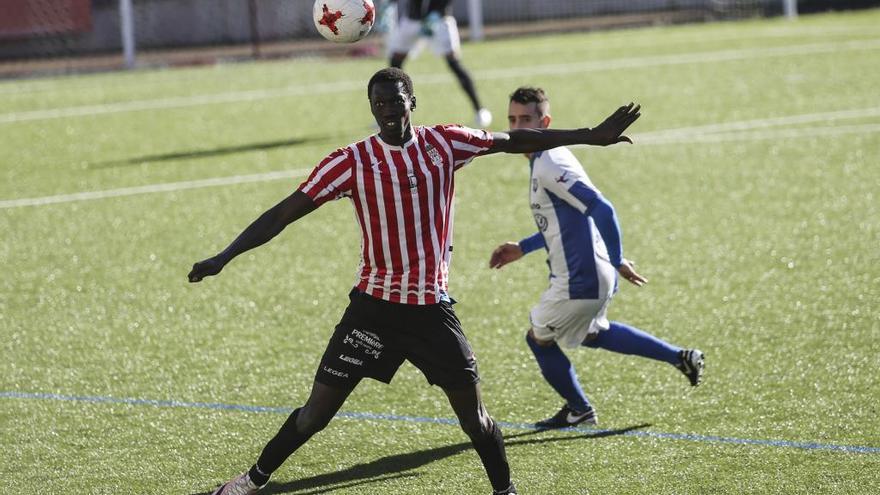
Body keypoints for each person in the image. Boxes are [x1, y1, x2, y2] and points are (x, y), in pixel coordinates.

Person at [189, 68, 641, 495]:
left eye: (395, 101)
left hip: (431, 312)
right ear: (371, 108)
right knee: (315, 415)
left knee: (476, 420)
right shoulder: (350, 162)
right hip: (372, 310)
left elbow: (512, 139)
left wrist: (589, 137)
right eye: (378, 103)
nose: (387, 110)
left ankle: (506, 490)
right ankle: (250, 482)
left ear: (412, 102)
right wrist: (224, 256)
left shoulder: (445, 143)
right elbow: (283, 213)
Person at [489, 87, 704, 429]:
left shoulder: (549, 163)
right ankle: (681, 357)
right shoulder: (546, 157)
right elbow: (567, 222)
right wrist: (524, 247)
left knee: (538, 338)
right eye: (512, 119)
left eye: (526, 119)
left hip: (581, 277)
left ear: (545, 122)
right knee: (593, 334)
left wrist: (617, 259)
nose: (517, 127)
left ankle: (579, 410)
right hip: (589, 269)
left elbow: (602, 208)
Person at [387, 0, 493, 128]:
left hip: (439, 19)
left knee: (454, 63)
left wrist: (435, 14)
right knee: (395, 64)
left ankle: (480, 111)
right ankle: (391, 113)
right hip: (413, 19)